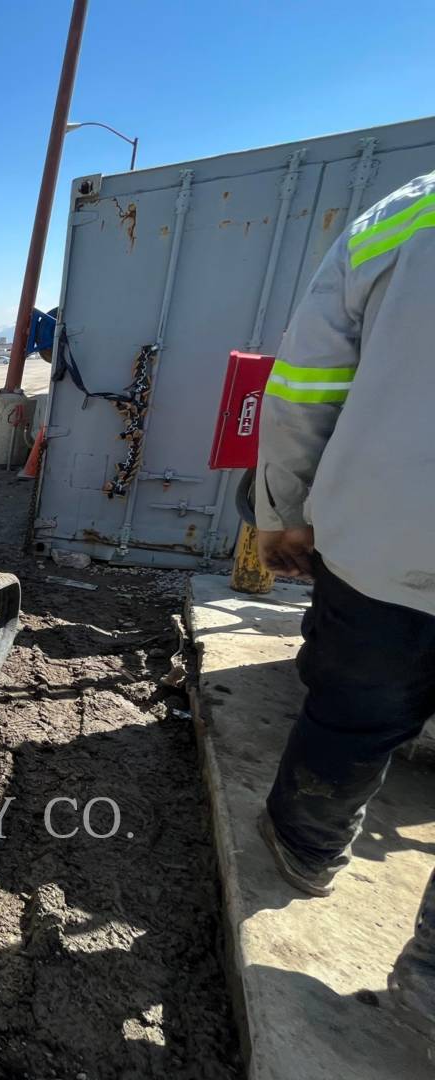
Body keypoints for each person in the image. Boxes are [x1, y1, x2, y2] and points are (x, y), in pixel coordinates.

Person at [254, 168, 435, 1034]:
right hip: (387, 543)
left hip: (386, 543)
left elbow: (303, 389)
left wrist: (284, 516)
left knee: (355, 713)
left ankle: (307, 847)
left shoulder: (405, 217)